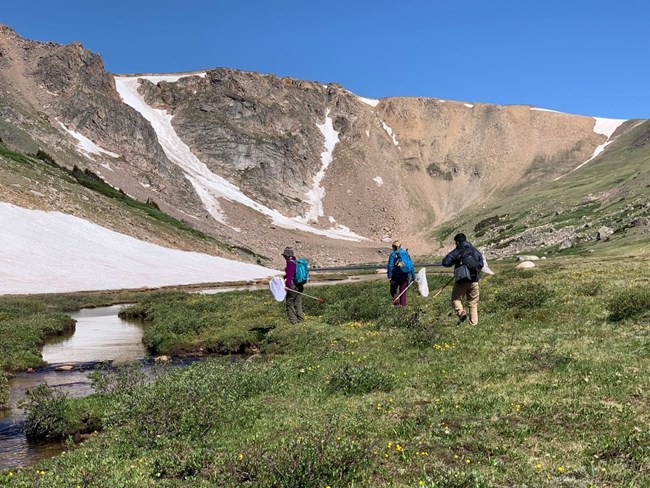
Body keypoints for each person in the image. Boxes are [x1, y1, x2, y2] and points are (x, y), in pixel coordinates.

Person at [442, 233, 484, 325]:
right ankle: (474, 324)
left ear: (457, 242)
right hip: (474, 280)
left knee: (456, 299)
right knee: (473, 303)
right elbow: (481, 263)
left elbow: (445, 263)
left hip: (462, 280)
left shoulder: (457, 250)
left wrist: (457, 262)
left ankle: (461, 312)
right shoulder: (474, 250)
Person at [387, 240, 416, 307]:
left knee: (393, 290)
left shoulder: (393, 254)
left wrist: (389, 276)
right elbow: (411, 265)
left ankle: (396, 304)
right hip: (405, 276)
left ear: (394, 246)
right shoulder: (406, 253)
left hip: (395, 276)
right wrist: (413, 276)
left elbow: (390, 266)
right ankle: (403, 306)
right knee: (403, 291)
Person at [282, 247, 304, 324]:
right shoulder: (297, 262)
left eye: (284, 256)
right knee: (298, 303)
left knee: (289, 304)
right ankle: (301, 322)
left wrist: (287, 286)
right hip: (300, 285)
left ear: (288, 256)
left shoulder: (290, 263)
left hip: (292, 286)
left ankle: (294, 323)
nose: (284, 258)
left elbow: (290, 276)